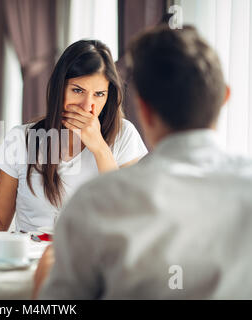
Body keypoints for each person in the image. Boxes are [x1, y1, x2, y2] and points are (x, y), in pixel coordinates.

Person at [35, 25, 252, 299]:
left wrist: (45, 272)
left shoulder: (97, 200)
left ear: (144, 109)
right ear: (224, 98)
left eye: (99, 94)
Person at [0, 40, 148, 232]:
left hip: (93, 257)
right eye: (77, 90)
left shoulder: (124, 135)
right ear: (59, 88)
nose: (87, 106)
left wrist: (100, 149)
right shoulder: (22, 139)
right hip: (31, 258)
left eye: (99, 94)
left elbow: (128, 215)